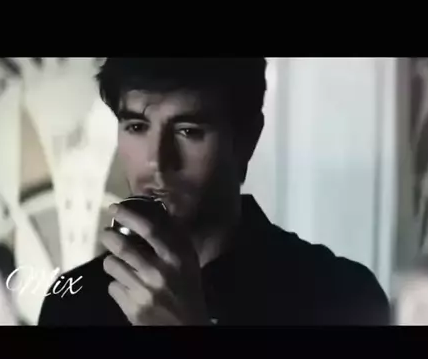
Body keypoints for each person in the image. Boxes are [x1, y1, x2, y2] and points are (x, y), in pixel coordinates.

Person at [38, 57, 390, 326]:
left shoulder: (341, 296)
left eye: (188, 131)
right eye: (136, 126)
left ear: (247, 139)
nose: (157, 161)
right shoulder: (74, 301)